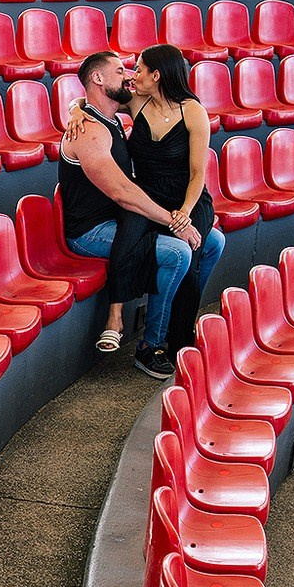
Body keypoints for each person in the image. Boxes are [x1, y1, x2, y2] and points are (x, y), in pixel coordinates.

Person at [56, 50, 206, 380]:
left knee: (212, 242)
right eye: (121, 70)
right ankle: (149, 346)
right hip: (89, 232)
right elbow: (123, 193)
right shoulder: (90, 132)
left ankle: (180, 328)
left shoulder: (111, 119)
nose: (129, 76)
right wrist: (173, 220)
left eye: (133, 70)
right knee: (179, 252)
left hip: (119, 220)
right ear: (98, 79)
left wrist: (75, 106)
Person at [106, 43, 225, 363]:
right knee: (134, 243)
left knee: (192, 257)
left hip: (188, 199)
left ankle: (173, 341)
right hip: (147, 196)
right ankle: (129, 329)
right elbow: (92, 101)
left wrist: (183, 215)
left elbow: (198, 173)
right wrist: (77, 111)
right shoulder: (136, 101)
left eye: (140, 69)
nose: (134, 74)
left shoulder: (193, 111)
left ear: (156, 75)